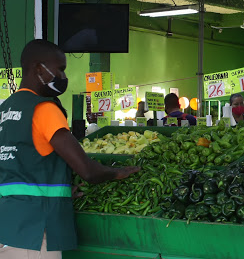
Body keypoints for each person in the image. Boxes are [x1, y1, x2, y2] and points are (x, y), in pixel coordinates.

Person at [0, 40, 139, 258]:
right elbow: (88, 171)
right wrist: (118, 172)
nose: (63, 77)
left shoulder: (5, 110)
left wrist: (60, 192)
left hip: (8, 226)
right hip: (35, 233)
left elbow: (20, 166)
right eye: (60, 69)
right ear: (39, 68)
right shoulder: (44, 109)